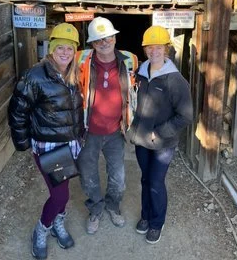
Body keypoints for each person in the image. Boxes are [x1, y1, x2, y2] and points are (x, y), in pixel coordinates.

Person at [8, 23, 84, 260]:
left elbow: (74, 109)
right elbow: (17, 111)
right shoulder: (35, 75)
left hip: (70, 144)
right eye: (59, 47)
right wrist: (23, 143)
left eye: (69, 49)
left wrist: (80, 134)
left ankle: (57, 223)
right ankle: (42, 229)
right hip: (49, 147)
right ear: (51, 49)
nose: (64, 53)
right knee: (60, 196)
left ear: (74, 52)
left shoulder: (73, 74)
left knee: (64, 191)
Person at [130, 25, 193, 245]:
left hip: (162, 143)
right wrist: (131, 126)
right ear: (145, 49)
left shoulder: (175, 80)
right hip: (141, 140)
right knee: (145, 179)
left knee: (156, 182)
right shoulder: (140, 72)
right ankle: (146, 216)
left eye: (159, 47)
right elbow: (135, 102)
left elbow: (186, 115)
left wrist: (160, 133)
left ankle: (157, 222)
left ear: (166, 49)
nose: (154, 51)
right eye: (150, 47)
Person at [76, 16, 138, 234]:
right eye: (99, 40)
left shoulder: (130, 60)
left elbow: (137, 91)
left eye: (108, 37)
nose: (104, 42)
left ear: (114, 38)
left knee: (118, 178)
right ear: (92, 43)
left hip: (115, 132)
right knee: (88, 175)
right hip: (88, 132)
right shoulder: (81, 60)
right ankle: (96, 209)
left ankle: (113, 206)